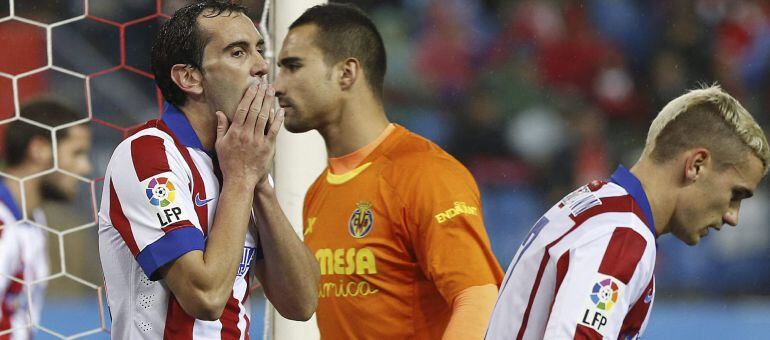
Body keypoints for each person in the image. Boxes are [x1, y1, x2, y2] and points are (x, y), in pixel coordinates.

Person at [274, 3, 504, 339]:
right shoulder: (319, 191)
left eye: (293, 67)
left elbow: (479, 297)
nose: (277, 85)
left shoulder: (426, 173)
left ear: (346, 73)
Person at [97, 1, 319, 338]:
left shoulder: (241, 160)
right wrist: (243, 178)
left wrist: (260, 184)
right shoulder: (148, 155)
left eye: (259, 50)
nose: (262, 66)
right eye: (237, 52)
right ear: (190, 77)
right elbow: (205, 297)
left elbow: (301, 304)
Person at [485, 85, 769, 339]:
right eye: (735, 194)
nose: (733, 216)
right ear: (696, 165)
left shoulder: (599, 202)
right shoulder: (622, 234)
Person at [0, 97, 92, 338]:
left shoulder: (33, 219)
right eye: (77, 153)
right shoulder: (2, 222)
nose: (85, 167)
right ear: (38, 149)